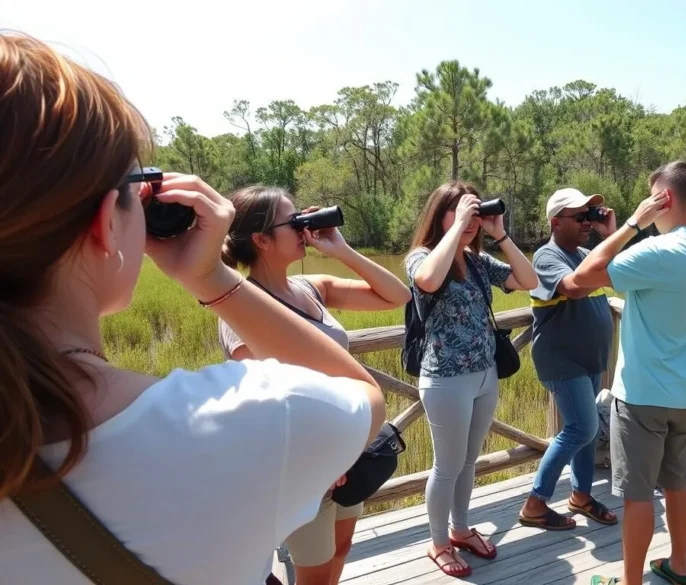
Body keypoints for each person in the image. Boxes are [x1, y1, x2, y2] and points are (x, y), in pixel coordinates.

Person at [0, 31, 385, 585]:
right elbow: (363, 397)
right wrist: (208, 275)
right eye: (139, 188)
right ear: (107, 219)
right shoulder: (243, 421)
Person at [219, 186, 411, 585]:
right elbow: (264, 402)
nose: (305, 228)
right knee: (314, 571)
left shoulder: (310, 288)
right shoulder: (242, 308)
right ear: (261, 240)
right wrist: (321, 456)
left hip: (348, 453)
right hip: (303, 465)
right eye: (294, 222)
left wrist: (340, 250)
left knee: (339, 552)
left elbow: (397, 295)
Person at [572, 161, 686, 585]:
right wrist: (654, 217)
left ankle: (630, 582)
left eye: (655, 198)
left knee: (638, 495)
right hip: (685, 395)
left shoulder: (657, 251)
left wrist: (630, 224)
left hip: (641, 396)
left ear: (665, 200)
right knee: (678, 484)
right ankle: (680, 568)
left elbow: (580, 278)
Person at [404, 181, 538, 578]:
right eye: (460, 210)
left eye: (475, 213)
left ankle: (460, 529)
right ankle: (438, 542)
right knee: (446, 466)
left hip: (485, 375)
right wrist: (456, 228)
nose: (470, 220)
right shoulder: (421, 256)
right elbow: (426, 280)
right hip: (445, 379)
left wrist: (500, 234)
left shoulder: (478, 261)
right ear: (439, 214)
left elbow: (528, 280)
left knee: (468, 462)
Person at [518, 188, 618, 531]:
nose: (587, 222)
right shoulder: (547, 257)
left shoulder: (587, 253)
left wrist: (611, 235)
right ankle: (535, 503)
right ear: (555, 222)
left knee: (587, 433)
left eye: (590, 215)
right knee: (582, 428)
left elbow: (626, 271)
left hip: (589, 359)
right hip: (562, 361)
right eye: (580, 217)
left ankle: (581, 496)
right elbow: (574, 288)